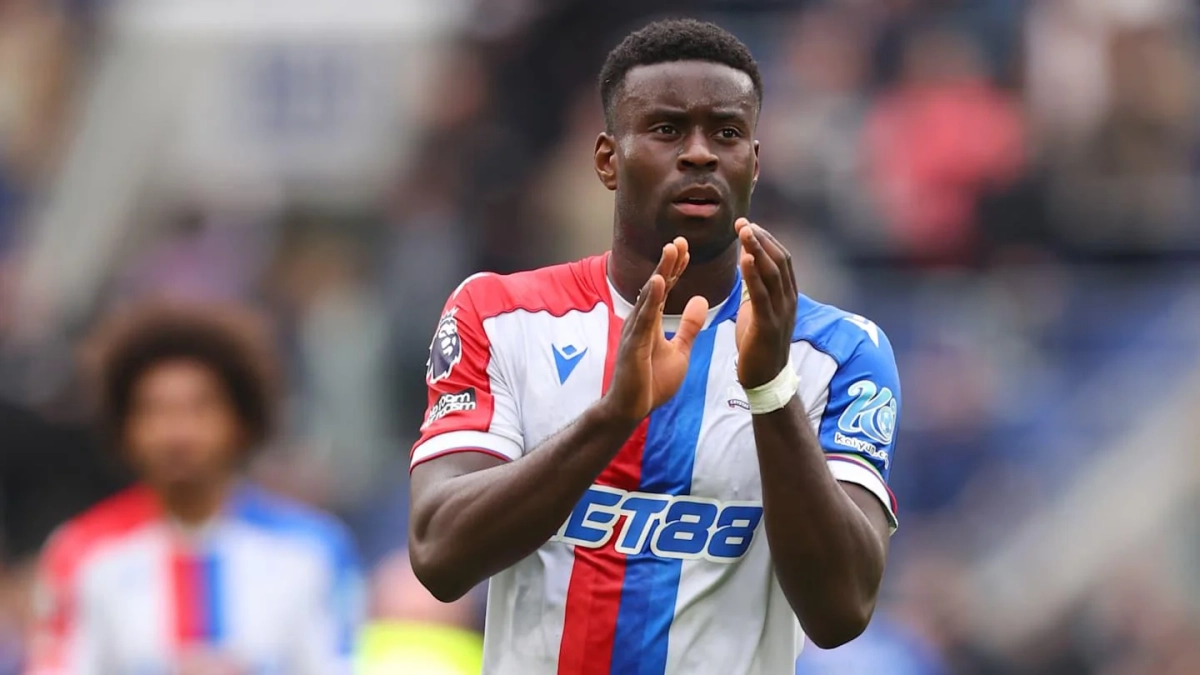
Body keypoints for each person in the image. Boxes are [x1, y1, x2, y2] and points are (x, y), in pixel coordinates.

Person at [408, 18, 901, 675]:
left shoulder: (839, 351)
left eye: (726, 133)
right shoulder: (500, 314)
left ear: (753, 163)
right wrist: (612, 417)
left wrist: (771, 391)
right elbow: (440, 552)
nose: (699, 153)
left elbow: (841, 610)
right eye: (667, 129)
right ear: (608, 160)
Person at [26, 302, 363, 674]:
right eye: (155, 410)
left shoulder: (313, 550)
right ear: (125, 428)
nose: (177, 433)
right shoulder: (80, 553)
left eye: (199, 408)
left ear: (242, 422)